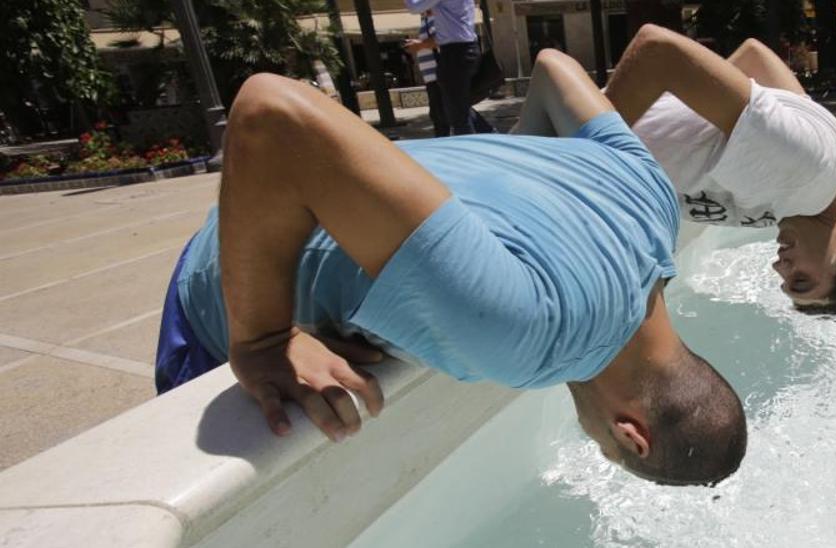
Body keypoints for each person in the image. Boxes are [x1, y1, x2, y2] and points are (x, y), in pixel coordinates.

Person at [154, 49, 747, 486]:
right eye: (606, 451)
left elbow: (555, 68)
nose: (595, 443)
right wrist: (263, 338)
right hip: (225, 274)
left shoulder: (655, 203)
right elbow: (268, 112)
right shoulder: (523, 340)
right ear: (631, 435)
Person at [605, 25, 836, 316]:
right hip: (561, 149)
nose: (778, 267)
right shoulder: (806, 167)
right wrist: (579, 156)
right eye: (800, 280)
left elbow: (755, 57)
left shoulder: (808, 191)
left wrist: (691, 112)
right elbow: (658, 51)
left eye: (785, 281)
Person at [402, 8, 493, 136]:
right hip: (434, 75)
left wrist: (419, 45)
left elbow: (443, 39)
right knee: (450, 112)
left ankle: (486, 134)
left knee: (445, 114)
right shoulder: (426, 17)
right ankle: (488, 133)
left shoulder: (436, 14)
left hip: (439, 74)